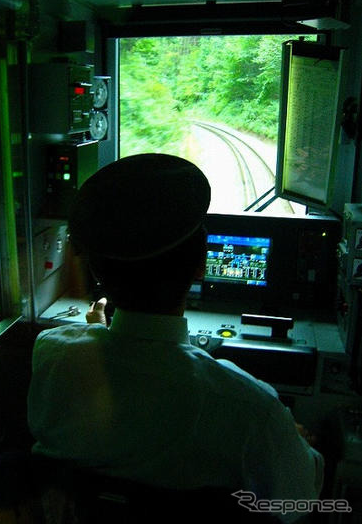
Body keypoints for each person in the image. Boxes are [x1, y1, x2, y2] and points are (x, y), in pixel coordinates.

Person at [27, 153, 323, 522]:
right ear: (201, 266)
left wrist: (93, 332)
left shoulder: (53, 358)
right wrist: (291, 439)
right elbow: (297, 501)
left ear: (96, 271)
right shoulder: (251, 408)